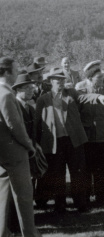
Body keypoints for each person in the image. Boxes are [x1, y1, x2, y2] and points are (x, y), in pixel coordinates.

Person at [34, 68, 104, 213]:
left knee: (78, 172)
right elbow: (38, 122)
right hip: (55, 143)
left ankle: (81, 203)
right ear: (50, 82)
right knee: (57, 174)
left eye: (63, 80)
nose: (61, 83)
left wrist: (98, 98)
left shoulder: (71, 93)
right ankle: (60, 205)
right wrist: (36, 142)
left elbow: (85, 97)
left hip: (74, 140)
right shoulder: (43, 100)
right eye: (58, 80)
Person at [0, 57, 41, 237]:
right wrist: (30, 146)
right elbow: (15, 127)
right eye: (15, 70)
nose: (17, 73)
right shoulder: (7, 95)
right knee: (24, 197)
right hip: (15, 154)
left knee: (2, 198)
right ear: (7, 72)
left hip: (3, 155)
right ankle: (29, 234)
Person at [76, 60, 104, 191]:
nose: (102, 80)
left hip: (102, 135)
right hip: (87, 135)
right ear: (90, 78)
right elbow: (79, 104)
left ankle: (101, 194)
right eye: (99, 78)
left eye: (103, 77)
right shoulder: (81, 91)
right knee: (87, 166)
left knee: (101, 166)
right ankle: (87, 195)